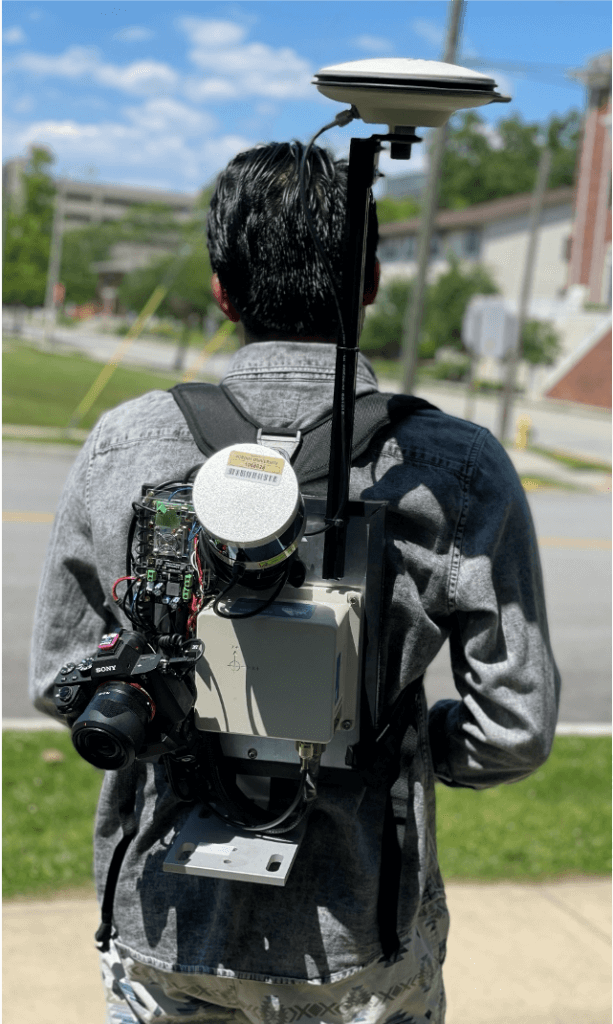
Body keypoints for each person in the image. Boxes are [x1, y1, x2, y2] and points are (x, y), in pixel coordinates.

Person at [30, 141, 560, 1024]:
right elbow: (513, 729)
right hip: (362, 934)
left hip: (164, 931)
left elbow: (63, 685)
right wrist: (399, 738)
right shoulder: (452, 466)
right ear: (373, 281)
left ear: (220, 288)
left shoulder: (123, 444)